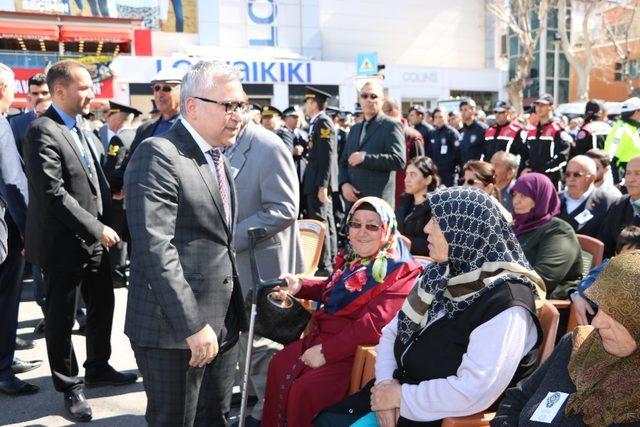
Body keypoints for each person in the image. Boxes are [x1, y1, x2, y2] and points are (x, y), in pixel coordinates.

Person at [316, 187, 546, 426]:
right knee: (327, 420)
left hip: (436, 416)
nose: (426, 228)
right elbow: (391, 333)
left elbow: (472, 390)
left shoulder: (506, 303)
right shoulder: (439, 274)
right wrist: (385, 387)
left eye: (437, 221)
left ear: (464, 231)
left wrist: (400, 397)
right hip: (395, 394)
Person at [124, 61, 247, 426]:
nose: (237, 115)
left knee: (215, 419)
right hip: (174, 333)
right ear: (193, 106)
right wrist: (192, 325)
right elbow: (155, 249)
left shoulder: (217, 157)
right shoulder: (159, 153)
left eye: (241, 106)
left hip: (222, 325)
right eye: (228, 105)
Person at [23, 60, 136, 420]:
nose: (92, 94)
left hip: (95, 240)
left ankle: (99, 367)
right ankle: (70, 386)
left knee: (103, 306)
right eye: (84, 87)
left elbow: (95, 180)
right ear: (60, 91)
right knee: (61, 317)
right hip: (64, 244)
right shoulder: (43, 130)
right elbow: (53, 193)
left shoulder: (84, 128)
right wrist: (95, 227)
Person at [262, 197, 423, 427]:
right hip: (323, 337)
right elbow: (332, 287)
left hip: (353, 352)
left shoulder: (401, 270)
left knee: (304, 390)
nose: (361, 232)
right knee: (277, 364)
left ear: (386, 229)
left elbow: (373, 325)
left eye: (372, 226)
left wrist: (327, 352)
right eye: (355, 224)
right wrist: (299, 286)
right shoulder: (353, 258)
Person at [492, 250, 640, 426]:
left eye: (614, 314)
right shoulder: (578, 345)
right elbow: (515, 401)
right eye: (599, 307)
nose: (598, 322)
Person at [227, 110, 304, 426]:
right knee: (245, 347)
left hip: (263, 265)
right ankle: (253, 404)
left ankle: (265, 415)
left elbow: (284, 208)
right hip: (235, 266)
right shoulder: (222, 146)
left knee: (261, 347)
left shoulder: (268, 146)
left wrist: (230, 238)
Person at [0, 63, 41, 396]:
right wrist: (30, 230)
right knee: (4, 300)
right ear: (3, 90)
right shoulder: (0, 123)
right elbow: (13, 182)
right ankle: (2, 368)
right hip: (4, 235)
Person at [511, 173, 583, 299]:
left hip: (544, 304)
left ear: (540, 197)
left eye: (523, 196)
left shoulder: (559, 230)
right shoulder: (517, 226)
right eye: (514, 195)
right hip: (513, 295)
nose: (516, 201)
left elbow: (543, 279)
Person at [115, 67, 185, 193]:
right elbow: (131, 162)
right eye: (156, 88)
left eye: (167, 88)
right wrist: (115, 187)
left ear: (183, 91)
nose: (159, 93)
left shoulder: (191, 128)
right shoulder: (145, 129)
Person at [340, 79, 405, 208]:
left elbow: (399, 160)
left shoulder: (391, 125)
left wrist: (365, 158)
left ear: (381, 100)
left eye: (373, 96)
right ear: (360, 100)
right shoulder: (355, 128)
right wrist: (344, 183)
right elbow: (343, 161)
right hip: (353, 201)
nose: (369, 100)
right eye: (364, 96)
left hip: (378, 202)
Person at [102, 101, 142, 287]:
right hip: (135, 198)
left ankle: (116, 275)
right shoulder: (139, 135)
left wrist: (109, 191)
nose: (107, 118)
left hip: (118, 199)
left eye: (110, 114)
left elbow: (112, 170)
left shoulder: (118, 139)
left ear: (118, 116)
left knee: (116, 236)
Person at [570, 225, 640, 327]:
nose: (632, 260)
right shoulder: (609, 265)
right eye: (629, 255)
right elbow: (585, 283)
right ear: (617, 254)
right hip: (596, 313)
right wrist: (581, 294)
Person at [302, 86, 338, 275]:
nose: (305, 106)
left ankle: (324, 265)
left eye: (307, 102)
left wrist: (322, 186)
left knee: (321, 221)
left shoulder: (323, 123)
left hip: (318, 183)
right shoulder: (317, 122)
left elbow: (326, 157)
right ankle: (329, 261)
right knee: (326, 222)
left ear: (314, 103)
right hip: (316, 181)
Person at [558, 156, 619, 239]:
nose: (571, 179)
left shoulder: (608, 203)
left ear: (592, 178)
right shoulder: (554, 199)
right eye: (567, 174)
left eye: (577, 175)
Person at [521, 94, 572, 188]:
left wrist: (541, 171)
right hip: (533, 180)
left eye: (543, 105)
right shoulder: (532, 131)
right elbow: (525, 155)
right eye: (537, 105)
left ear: (551, 107)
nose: (539, 108)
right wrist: (524, 169)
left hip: (552, 180)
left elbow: (563, 157)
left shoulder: (558, 130)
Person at [381, 97, 425, 203]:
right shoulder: (380, 135)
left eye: (381, 114)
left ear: (393, 112)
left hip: (404, 199)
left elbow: (421, 171)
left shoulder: (412, 137)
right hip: (383, 197)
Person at [598, 155, 640, 258]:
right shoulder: (618, 205)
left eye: (638, 174)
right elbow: (605, 247)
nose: (631, 179)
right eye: (628, 173)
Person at [395, 156, 438, 256]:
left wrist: (409, 243)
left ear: (428, 180)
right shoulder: (404, 202)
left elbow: (439, 243)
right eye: (406, 174)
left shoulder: (436, 207)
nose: (406, 179)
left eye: (413, 175)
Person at [9, 72, 49, 155]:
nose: (40, 97)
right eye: (35, 93)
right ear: (29, 96)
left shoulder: (62, 118)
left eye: (44, 93)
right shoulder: (17, 123)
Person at [604, 97, 640, 183]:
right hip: (626, 180)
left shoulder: (632, 128)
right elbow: (611, 158)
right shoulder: (622, 129)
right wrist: (616, 182)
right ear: (636, 112)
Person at [426, 107, 460, 187]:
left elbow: (458, 153)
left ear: (446, 117)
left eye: (441, 116)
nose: (438, 119)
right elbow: (429, 152)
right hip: (436, 173)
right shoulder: (432, 133)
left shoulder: (452, 133)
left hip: (449, 174)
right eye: (436, 117)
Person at [458, 98, 487, 165]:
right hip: (464, 170)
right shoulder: (462, 130)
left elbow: (487, 151)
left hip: (477, 171)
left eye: (465, 110)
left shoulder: (482, 129)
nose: (463, 112)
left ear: (473, 111)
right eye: (461, 110)